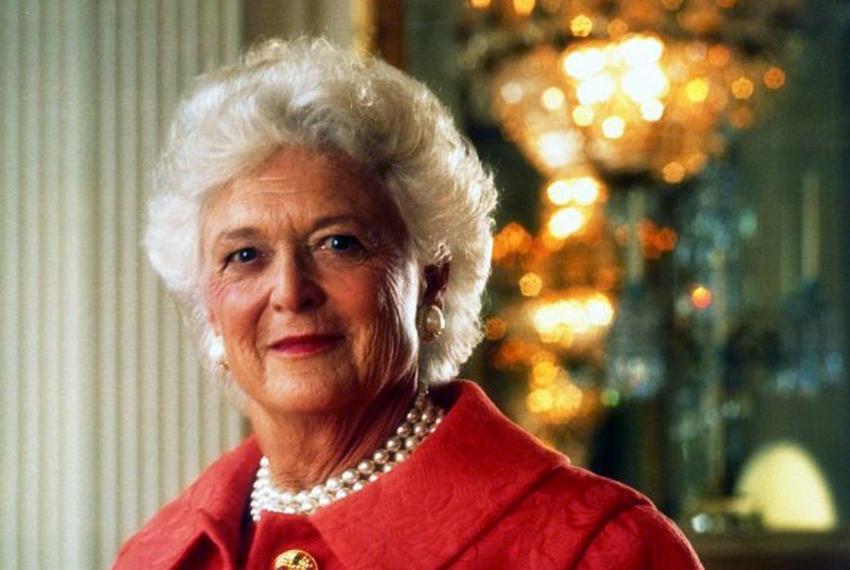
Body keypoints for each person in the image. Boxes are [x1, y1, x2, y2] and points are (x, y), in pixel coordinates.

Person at [114, 38, 703, 570]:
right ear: (209, 306)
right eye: (244, 256)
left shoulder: (602, 551)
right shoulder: (160, 555)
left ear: (433, 282)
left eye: (339, 243)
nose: (290, 292)